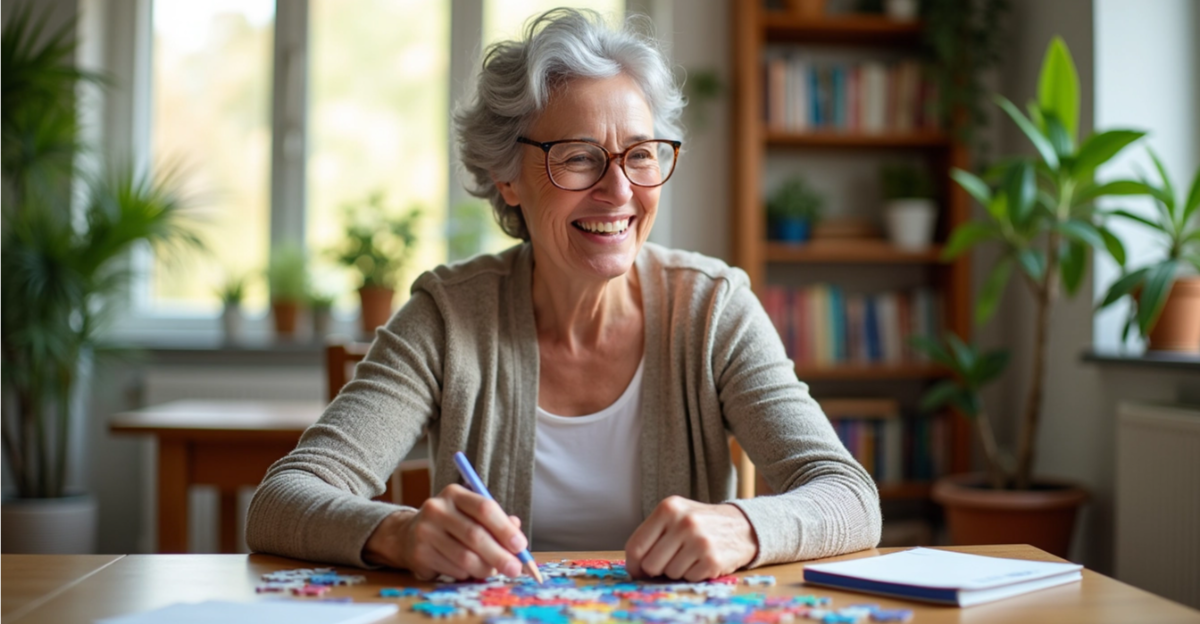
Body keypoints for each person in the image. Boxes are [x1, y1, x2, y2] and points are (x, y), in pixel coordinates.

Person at [246, 8, 880, 582]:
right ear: (507, 176)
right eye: (578, 157)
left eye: (640, 154)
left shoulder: (713, 309)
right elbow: (281, 500)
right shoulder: (448, 316)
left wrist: (742, 527)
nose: (619, 190)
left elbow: (849, 495)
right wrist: (399, 534)